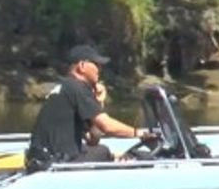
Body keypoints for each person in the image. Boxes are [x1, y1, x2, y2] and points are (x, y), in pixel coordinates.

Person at [25, 44, 154, 171]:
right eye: (96, 64)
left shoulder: (67, 87)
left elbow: (93, 139)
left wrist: (99, 103)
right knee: (104, 152)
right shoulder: (77, 87)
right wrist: (139, 133)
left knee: (99, 150)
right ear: (82, 66)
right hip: (54, 163)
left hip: (42, 159)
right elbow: (107, 126)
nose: (100, 69)